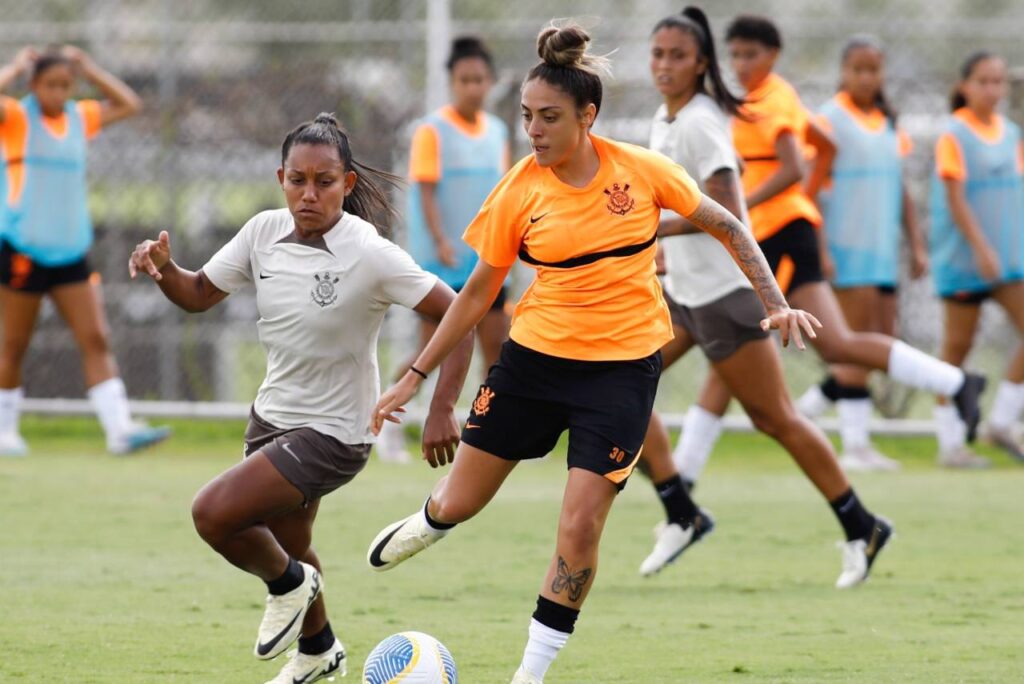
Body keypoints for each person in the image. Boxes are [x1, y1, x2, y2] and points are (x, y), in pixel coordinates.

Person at [365, 23, 820, 684]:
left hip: (622, 374)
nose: (534, 131)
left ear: (588, 116)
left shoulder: (641, 171)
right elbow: (471, 298)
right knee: (461, 502)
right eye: (526, 117)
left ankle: (530, 674)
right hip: (532, 365)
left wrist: (773, 299)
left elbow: (724, 220)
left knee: (579, 529)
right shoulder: (518, 191)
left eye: (549, 117)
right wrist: (413, 376)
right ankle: (433, 519)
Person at [128, 113, 473, 684]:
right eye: (297, 180)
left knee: (214, 514)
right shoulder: (262, 233)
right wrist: (164, 269)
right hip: (271, 417)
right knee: (290, 543)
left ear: (348, 184)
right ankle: (318, 650)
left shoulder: (370, 252)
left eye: (325, 182)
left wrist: (439, 406)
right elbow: (196, 295)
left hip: (336, 433)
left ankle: (290, 587)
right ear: (281, 177)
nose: (309, 194)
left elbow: (459, 312)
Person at [671, 15, 987, 484]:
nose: (740, 64)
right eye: (734, 54)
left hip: (778, 233)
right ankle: (681, 488)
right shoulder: (757, 99)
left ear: (772, 55)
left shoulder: (772, 97)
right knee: (746, 349)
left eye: (750, 54)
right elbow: (824, 146)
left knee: (797, 344)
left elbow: (794, 165)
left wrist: (736, 211)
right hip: (774, 230)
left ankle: (678, 484)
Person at [637, 7, 892, 588]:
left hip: (725, 297)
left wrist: (652, 230)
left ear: (702, 63)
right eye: (657, 54)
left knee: (775, 417)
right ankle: (681, 511)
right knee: (620, 384)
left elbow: (728, 213)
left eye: (678, 56)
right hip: (683, 294)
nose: (665, 65)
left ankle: (863, 524)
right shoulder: (664, 116)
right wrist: (662, 248)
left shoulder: (701, 122)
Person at [0, 45, 168, 456]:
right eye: (49, 85)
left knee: (95, 337)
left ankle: (119, 429)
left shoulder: (80, 117)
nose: (58, 93)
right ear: (33, 86)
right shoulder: (18, 118)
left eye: (65, 85)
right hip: (23, 249)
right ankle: (5, 431)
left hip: (70, 250)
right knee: (13, 343)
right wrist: (16, 66)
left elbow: (130, 103)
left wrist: (90, 68)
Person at [793, 36, 930, 471]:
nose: (867, 77)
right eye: (858, 69)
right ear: (844, 71)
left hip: (882, 250)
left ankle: (803, 411)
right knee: (855, 347)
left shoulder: (889, 122)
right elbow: (807, 191)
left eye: (874, 69)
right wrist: (819, 251)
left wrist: (916, 243)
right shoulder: (829, 121)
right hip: (846, 248)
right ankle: (855, 446)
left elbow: (902, 191)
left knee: (879, 346)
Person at [377, 36, 512, 463]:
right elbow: (428, 193)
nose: (472, 87)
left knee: (497, 352)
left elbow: (504, 193)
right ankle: (387, 424)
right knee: (429, 353)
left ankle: (495, 436)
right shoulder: (431, 130)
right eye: (464, 80)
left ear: (490, 82)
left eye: (479, 79)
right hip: (442, 265)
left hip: (487, 261)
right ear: (452, 82)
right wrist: (440, 242)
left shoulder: (499, 132)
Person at [930, 51, 1024, 466]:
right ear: (965, 85)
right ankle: (950, 443)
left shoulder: (1011, 133)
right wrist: (982, 249)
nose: (992, 90)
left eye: (998, 82)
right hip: (966, 262)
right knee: (956, 349)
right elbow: (956, 200)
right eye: (983, 81)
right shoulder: (954, 134)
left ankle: (1002, 422)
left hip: (1009, 260)